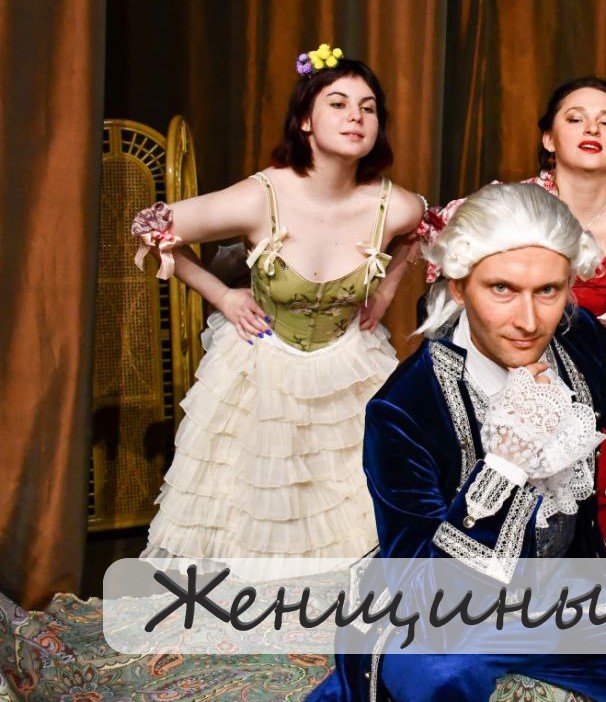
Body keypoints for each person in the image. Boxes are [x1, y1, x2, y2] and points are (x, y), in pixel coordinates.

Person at [295, 183, 606, 702]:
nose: (528, 321)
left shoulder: (579, 342)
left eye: (548, 290)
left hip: (565, 604)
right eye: (502, 289)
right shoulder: (403, 410)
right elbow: (427, 596)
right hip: (435, 616)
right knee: (444, 678)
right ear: (458, 287)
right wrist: (505, 464)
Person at [131, 45, 429, 564]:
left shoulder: (395, 205)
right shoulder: (260, 196)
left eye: (368, 107)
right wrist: (222, 294)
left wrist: (384, 291)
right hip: (263, 366)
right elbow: (151, 227)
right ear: (305, 121)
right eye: (338, 104)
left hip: (350, 366)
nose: (356, 117)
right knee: (258, 516)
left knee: (356, 510)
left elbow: (424, 230)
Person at [422, 76, 606, 558]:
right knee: (515, 508)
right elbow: (439, 240)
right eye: (575, 119)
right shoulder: (511, 205)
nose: (591, 128)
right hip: (527, 369)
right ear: (549, 139)